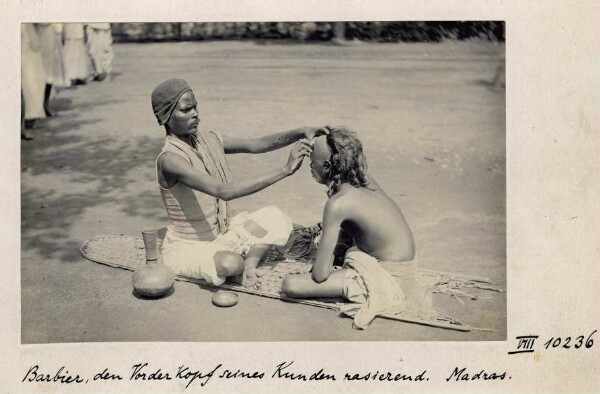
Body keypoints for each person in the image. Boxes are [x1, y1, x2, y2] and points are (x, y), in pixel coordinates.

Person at [152, 78, 324, 288]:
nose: (195, 114)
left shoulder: (208, 140)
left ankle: (249, 264)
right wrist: (285, 170)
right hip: (189, 247)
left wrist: (300, 131)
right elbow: (222, 191)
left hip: (223, 235)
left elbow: (256, 144)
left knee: (274, 216)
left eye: (195, 107)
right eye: (186, 110)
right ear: (165, 118)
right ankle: (242, 263)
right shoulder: (170, 160)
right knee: (230, 263)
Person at [282, 127, 426, 329]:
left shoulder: (338, 203)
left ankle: (359, 291)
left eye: (312, 162)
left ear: (326, 167)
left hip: (393, 279)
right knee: (343, 248)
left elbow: (320, 275)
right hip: (407, 263)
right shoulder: (365, 182)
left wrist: (325, 257)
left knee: (291, 285)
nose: (310, 166)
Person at [21, 23, 46, 132]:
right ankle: (27, 119)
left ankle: (30, 117)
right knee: (29, 83)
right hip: (25, 50)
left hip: (30, 49)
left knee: (35, 82)